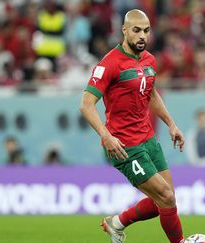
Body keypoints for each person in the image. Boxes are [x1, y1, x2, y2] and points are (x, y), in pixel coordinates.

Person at [80, 9, 186, 243]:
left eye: (146, 31)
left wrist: (171, 124)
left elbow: (151, 94)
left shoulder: (149, 60)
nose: (142, 36)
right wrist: (106, 135)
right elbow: (86, 104)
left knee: (167, 199)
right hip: (124, 145)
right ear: (124, 30)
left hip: (148, 139)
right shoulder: (109, 64)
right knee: (166, 197)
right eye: (136, 30)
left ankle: (115, 223)